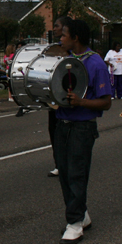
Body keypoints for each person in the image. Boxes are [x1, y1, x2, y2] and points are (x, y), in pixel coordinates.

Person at [54, 20, 112, 244]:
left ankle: (75, 223)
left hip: (82, 127)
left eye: (64, 35)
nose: (60, 38)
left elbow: (106, 103)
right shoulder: (65, 61)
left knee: (77, 174)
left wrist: (81, 101)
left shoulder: (96, 63)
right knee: (65, 173)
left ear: (75, 37)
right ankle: (81, 214)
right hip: (62, 124)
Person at [48, 16, 72, 177]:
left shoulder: (72, 51)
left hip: (68, 98)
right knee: (54, 131)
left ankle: (68, 162)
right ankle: (59, 163)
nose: (54, 28)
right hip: (54, 99)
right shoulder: (53, 49)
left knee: (67, 133)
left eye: (57, 26)